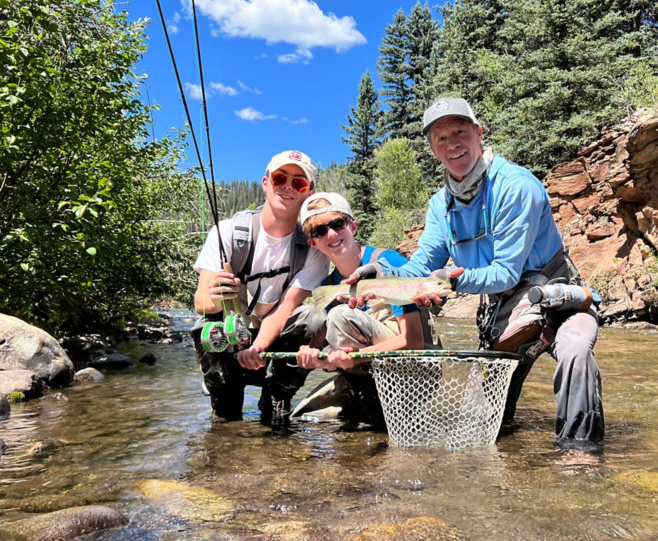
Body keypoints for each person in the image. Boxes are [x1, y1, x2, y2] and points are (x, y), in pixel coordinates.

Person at [347, 97, 604, 446]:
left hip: (559, 298)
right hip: (502, 314)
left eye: (460, 131)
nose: (452, 144)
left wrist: (451, 281)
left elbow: (507, 273)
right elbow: (422, 262)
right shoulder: (441, 205)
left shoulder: (516, 186)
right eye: (440, 137)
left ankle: (581, 452)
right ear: (433, 149)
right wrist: (379, 275)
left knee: (575, 349)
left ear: (478, 133)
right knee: (479, 429)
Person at [192, 150, 329, 424]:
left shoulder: (313, 247)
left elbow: (286, 308)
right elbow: (200, 304)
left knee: (317, 319)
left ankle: (277, 396)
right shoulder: (228, 232)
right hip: (230, 339)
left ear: (309, 192)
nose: (288, 187)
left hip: (273, 342)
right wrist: (217, 296)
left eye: (298, 183)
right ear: (266, 182)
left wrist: (257, 349)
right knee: (202, 326)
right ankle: (224, 404)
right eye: (280, 178)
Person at [294, 192, 440, 425]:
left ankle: (381, 412)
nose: (331, 234)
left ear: (353, 226)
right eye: (319, 231)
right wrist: (320, 360)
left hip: (415, 372)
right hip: (364, 373)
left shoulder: (390, 263)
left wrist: (354, 357)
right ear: (313, 243)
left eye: (337, 224)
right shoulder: (329, 288)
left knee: (340, 316)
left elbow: (413, 341)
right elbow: (338, 358)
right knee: (304, 417)